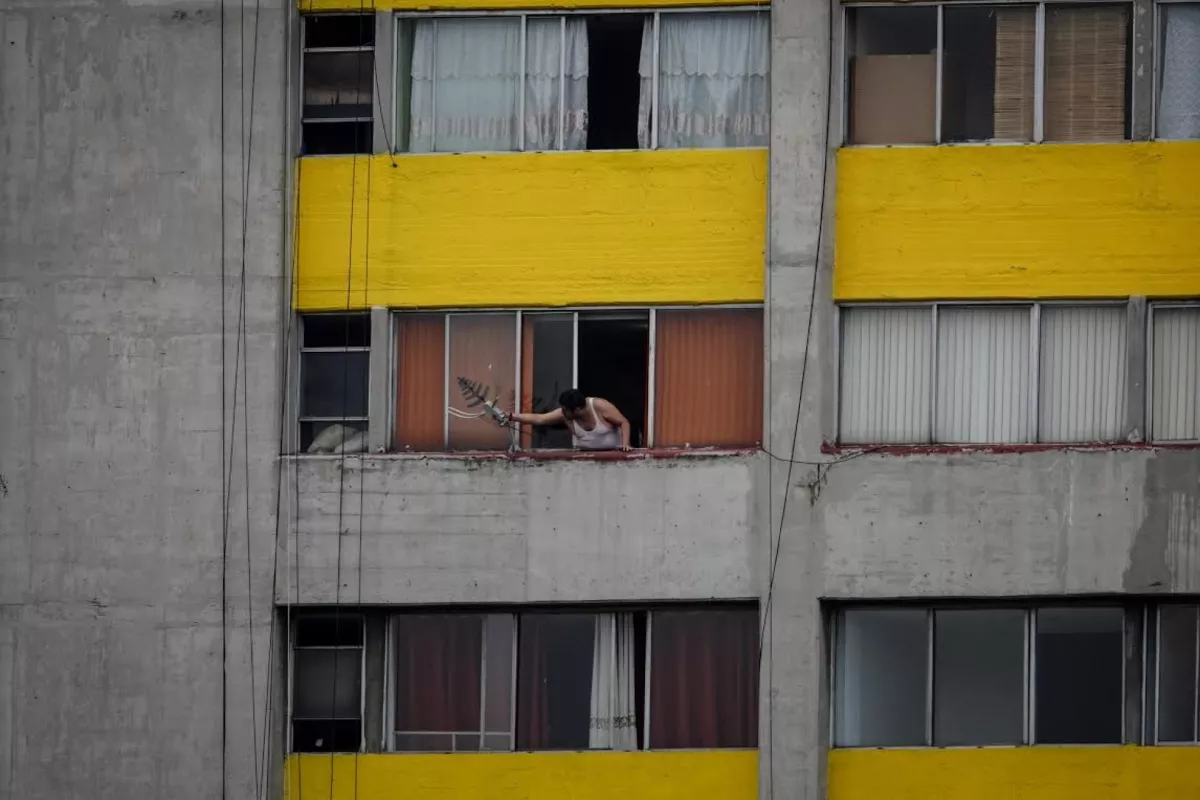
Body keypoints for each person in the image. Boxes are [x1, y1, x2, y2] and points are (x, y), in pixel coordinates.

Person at [509, 388, 631, 451]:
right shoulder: (565, 414)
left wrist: (625, 445)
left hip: (614, 459)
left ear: (576, 409)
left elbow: (624, 422)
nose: (562, 412)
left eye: (565, 409)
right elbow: (540, 419)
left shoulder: (599, 406)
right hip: (586, 460)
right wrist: (511, 416)